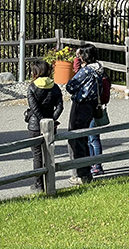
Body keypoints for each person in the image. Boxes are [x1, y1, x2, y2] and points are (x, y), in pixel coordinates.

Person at [66, 44, 103, 185]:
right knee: (85, 138)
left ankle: (81, 174)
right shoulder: (99, 69)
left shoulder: (86, 71)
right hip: (92, 106)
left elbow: (70, 85)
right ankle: (87, 171)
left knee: (76, 138)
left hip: (81, 105)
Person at [25, 60, 63, 192]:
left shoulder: (32, 87)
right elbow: (60, 107)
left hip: (35, 126)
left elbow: (33, 107)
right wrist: (51, 120)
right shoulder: (55, 87)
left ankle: (38, 185)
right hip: (50, 125)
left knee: (37, 156)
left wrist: (41, 120)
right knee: (49, 155)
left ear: (35, 72)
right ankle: (50, 184)